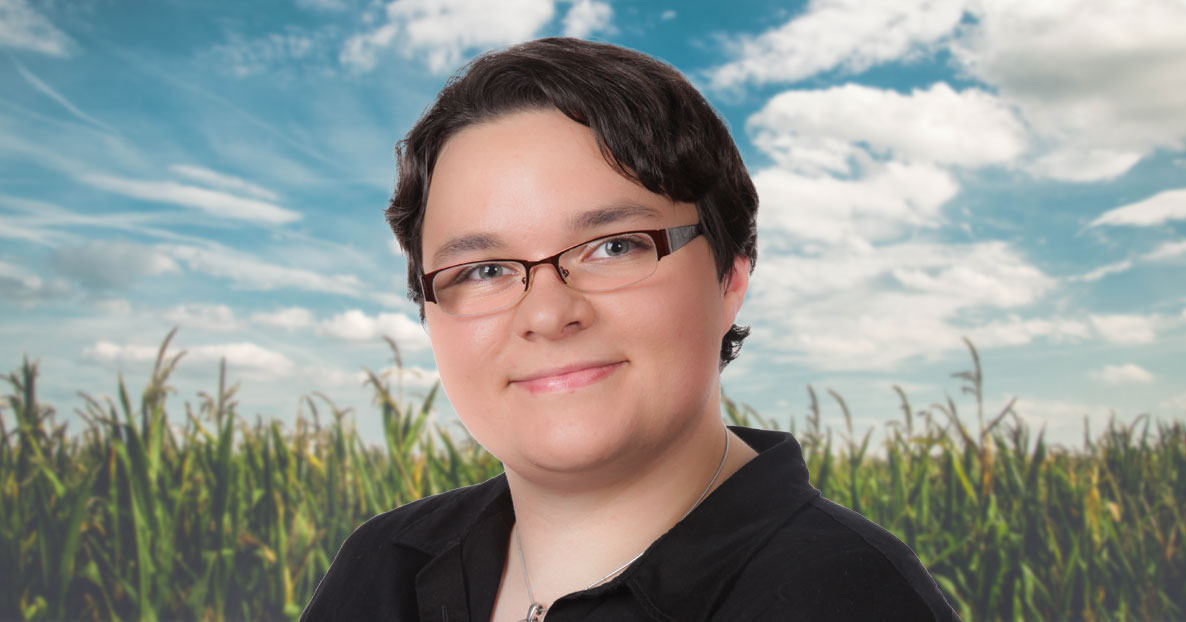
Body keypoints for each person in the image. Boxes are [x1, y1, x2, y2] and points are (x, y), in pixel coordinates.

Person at [300, 37, 960, 622]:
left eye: (614, 247)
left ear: (730, 275)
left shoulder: (852, 600)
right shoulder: (381, 566)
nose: (548, 315)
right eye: (485, 269)